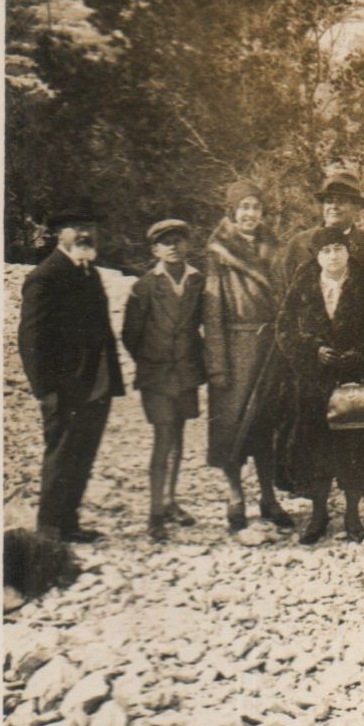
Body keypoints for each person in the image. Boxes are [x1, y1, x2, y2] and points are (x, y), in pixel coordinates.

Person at [276, 227, 364, 544]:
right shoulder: (303, 285)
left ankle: (353, 513)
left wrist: (363, 354)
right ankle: (318, 513)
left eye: (338, 249)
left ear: (348, 252)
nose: (333, 256)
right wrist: (313, 351)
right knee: (315, 449)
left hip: (354, 381)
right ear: (317, 256)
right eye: (326, 251)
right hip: (315, 383)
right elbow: (285, 328)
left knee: (354, 445)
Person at [18, 201, 125, 543]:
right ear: (57, 234)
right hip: (63, 388)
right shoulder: (45, 276)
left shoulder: (88, 271)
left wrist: (108, 379)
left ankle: (68, 523)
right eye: (75, 227)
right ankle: (49, 530)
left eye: (90, 226)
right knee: (62, 455)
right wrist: (45, 389)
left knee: (82, 454)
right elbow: (31, 337)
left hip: (94, 385)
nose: (84, 233)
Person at [201, 180, 294, 533]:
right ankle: (234, 496)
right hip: (235, 350)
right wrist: (217, 364)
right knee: (232, 427)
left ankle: (269, 498)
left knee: (265, 425)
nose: (250, 215)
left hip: (269, 348)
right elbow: (211, 314)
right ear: (232, 212)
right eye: (244, 208)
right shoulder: (218, 253)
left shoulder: (273, 248)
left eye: (255, 208)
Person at [120, 220, 207, 543]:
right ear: (155, 249)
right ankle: (155, 512)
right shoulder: (144, 286)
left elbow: (203, 323)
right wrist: (154, 359)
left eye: (178, 240)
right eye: (165, 242)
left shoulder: (198, 281)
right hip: (156, 375)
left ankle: (171, 501)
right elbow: (130, 334)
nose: (173, 246)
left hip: (186, 373)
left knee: (180, 435)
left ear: (187, 245)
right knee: (162, 437)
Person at [279, 171, 364, 299]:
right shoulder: (300, 243)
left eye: (341, 201)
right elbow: (285, 293)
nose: (334, 206)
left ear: (356, 208)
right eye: (329, 201)